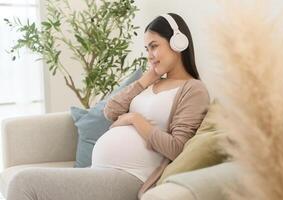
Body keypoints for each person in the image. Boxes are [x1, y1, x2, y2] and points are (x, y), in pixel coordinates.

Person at [6, 13, 209, 200]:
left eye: (154, 46)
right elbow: (110, 111)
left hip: (132, 176)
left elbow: (178, 149)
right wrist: (145, 79)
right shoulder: (151, 83)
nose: (149, 55)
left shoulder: (193, 89)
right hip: (102, 170)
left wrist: (134, 119)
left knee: (23, 182)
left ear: (178, 42)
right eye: (147, 49)